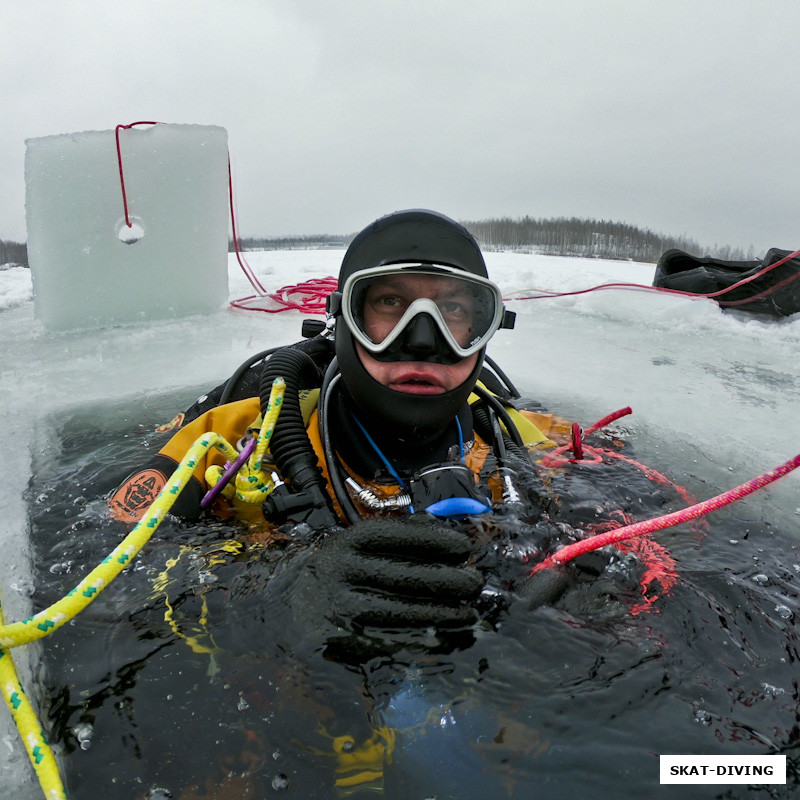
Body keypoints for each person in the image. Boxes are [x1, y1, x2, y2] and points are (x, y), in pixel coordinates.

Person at [109, 208, 571, 534]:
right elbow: (103, 576)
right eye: (390, 303)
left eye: (452, 307)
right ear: (345, 320)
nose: (423, 343)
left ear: (484, 329)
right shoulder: (228, 444)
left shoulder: (524, 443)